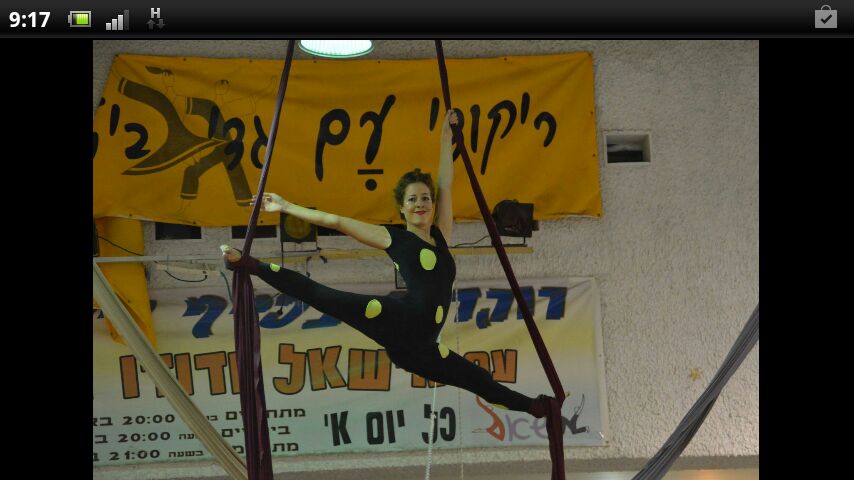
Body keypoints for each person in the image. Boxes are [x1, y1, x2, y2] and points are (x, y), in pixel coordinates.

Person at [222, 110, 553, 418]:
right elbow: (336, 221)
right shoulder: (394, 238)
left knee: (478, 379)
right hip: (398, 321)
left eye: (425, 198)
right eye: (413, 199)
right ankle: (250, 264)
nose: (421, 204)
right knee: (325, 297)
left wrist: (445, 135)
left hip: (423, 349)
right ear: (402, 209)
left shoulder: (442, 236)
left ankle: (538, 409)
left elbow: (445, 183)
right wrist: (285, 206)